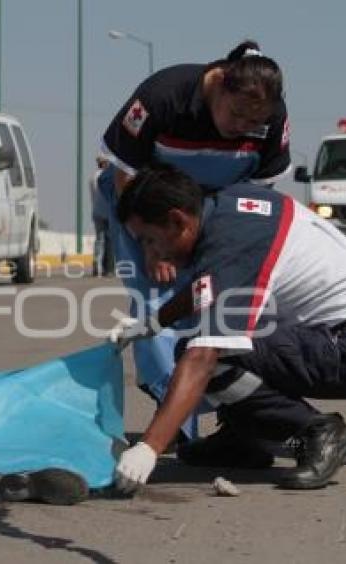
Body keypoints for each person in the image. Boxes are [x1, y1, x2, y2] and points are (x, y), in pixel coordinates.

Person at [111, 164, 346, 492]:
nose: (151, 253)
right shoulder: (228, 209)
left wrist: (149, 447)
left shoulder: (232, 244)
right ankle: (248, 436)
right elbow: (205, 286)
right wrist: (151, 324)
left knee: (215, 354)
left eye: (150, 240)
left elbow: (203, 357)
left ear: (178, 221)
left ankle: (317, 434)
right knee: (221, 340)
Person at [98, 40, 292, 437]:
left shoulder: (272, 115)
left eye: (251, 121)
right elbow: (123, 176)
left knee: (224, 306)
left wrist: (228, 250)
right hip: (146, 207)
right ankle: (176, 422)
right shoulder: (164, 95)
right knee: (158, 299)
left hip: (215, 211)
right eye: (236, 113)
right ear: (218, 82)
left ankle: (236, 419)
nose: (241, 126)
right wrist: (155, 246)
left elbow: (260, 191)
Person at [89, 155, 114, 277]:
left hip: (96, 212)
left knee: (99, 240)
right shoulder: (107, 177)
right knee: (109, 240)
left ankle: (96, 263)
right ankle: (108, 268)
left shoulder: (93, 177)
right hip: (108, 213)